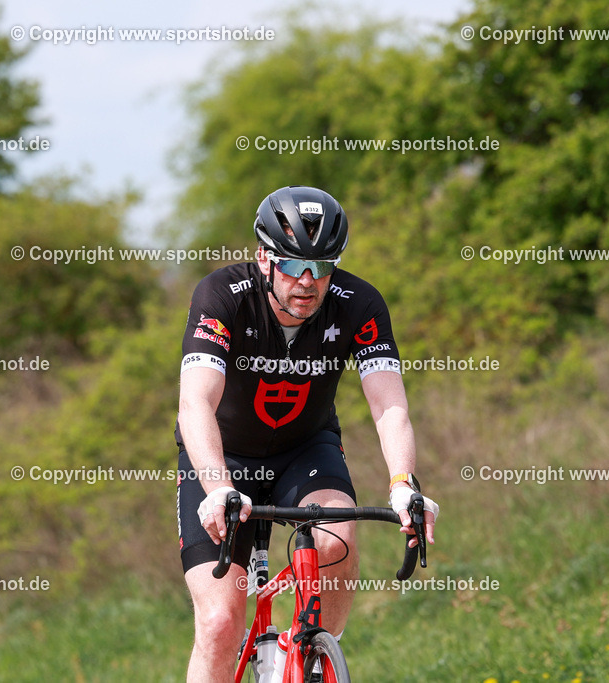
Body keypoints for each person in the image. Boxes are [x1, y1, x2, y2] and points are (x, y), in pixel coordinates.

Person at [175, 185, 439, 681]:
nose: (308, 281)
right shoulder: (222, 296)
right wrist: (217, 489)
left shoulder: (359, 304)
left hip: (305, 449)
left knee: (337, 535)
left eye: (322, 267)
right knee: (218, 622)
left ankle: (317, 658)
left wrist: (404, 483)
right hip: (222, 457)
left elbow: (389, 406)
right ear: (263, 258)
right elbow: (195, 403)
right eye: (294, 265)